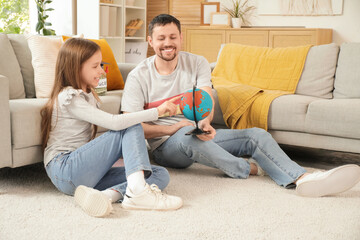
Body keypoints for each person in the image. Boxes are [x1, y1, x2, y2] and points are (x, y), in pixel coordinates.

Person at [121, 14, 360, 198]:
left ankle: (303, 178)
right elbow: (130, 126)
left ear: (181, 37)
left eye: (173, 37)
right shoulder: (138, 76)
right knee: (185, 135)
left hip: (194, 134)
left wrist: (203, 122)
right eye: (161, 38)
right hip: (165, 147)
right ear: (151, 41)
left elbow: (205, 99)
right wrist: (171, 129)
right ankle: (248, 169)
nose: (168, 43)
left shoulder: (197, 63)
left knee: (255, 135)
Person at [40, 38, 183, 218]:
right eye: (95, 66)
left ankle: (105, 196)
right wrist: (157, 112)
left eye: (100, 64)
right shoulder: (68, 97)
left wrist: (129, 160)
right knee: (129, 125)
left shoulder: (87, 95)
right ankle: (138, 193)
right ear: (76, 67)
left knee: (157, 173)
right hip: (65, 169)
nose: (101, 70)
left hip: (84, 174)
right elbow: (115, 123)